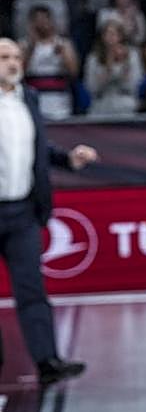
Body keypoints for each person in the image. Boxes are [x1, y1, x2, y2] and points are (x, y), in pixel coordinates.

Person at [0, 38, 97, 388]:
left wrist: (68, 159)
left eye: (15, 57)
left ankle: (47, 361)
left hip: (23, 210)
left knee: (32, 289)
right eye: (3, 57)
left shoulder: (29, 98)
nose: (12, 63)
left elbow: (36, 146)